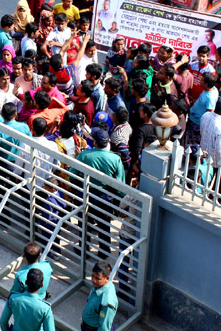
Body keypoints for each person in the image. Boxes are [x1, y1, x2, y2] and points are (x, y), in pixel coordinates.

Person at [71, 128, 124, 259]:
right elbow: (120, 183)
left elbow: (72, 175)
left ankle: (84, 248)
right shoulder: (115, 158)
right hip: (105, 198)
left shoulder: (84, 156)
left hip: (86, 194)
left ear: (94, 142)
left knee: (84, 224)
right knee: (104, 225)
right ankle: (104, 251)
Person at [200, 97, 221, 189]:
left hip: (204, 153)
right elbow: (220, 148)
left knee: (204, 178)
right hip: (216, 159)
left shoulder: (205, 115)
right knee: (219, 183)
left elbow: (201, 132)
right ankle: (215, 198)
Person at [81, 261, 118, 331]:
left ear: (107, 278)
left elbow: (104, 328)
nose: (93, 280)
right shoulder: (99, 286)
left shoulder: (107, 302)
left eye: (97, 278)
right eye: (92, 276)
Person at [186, 72, 218, 146]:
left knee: (192, 145)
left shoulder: (210, 98)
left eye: (202, 80)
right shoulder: (210, 90)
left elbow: (209, 114)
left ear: (206, 84)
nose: (200, 81)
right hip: (193, 120)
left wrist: (203, 130)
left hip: (197, 124)